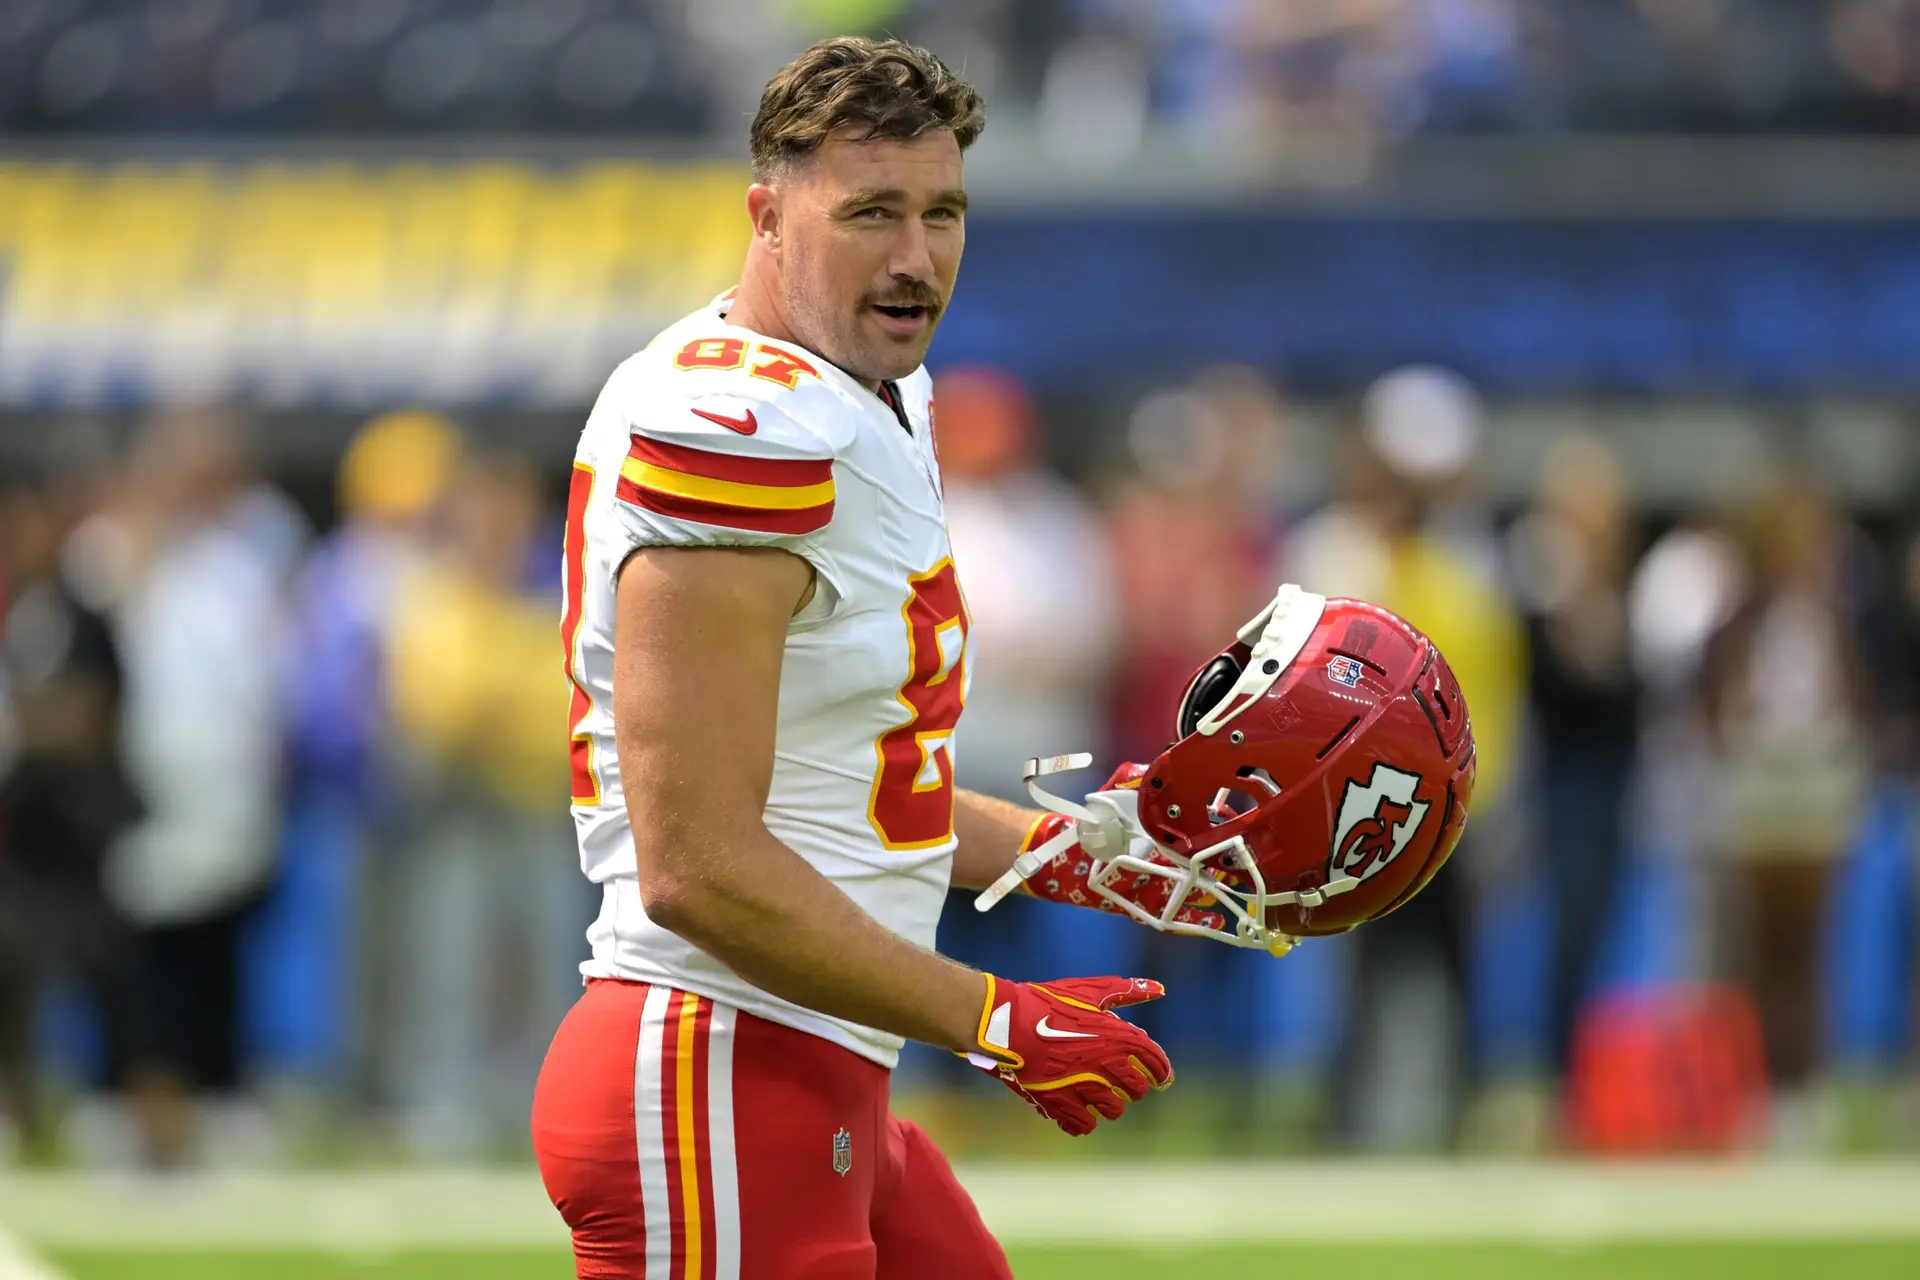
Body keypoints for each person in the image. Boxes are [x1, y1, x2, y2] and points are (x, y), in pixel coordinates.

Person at [529, 39, 1180, 1278]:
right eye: (868, 212)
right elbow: (698, 866)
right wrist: (991, 1017)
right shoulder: (734, 427)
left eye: (942, 213)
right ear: (767, 217)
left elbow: (853, 794)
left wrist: (1102, 852)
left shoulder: (869, 390)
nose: (914, 256)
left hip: (815, 1062)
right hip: (712, 1064)